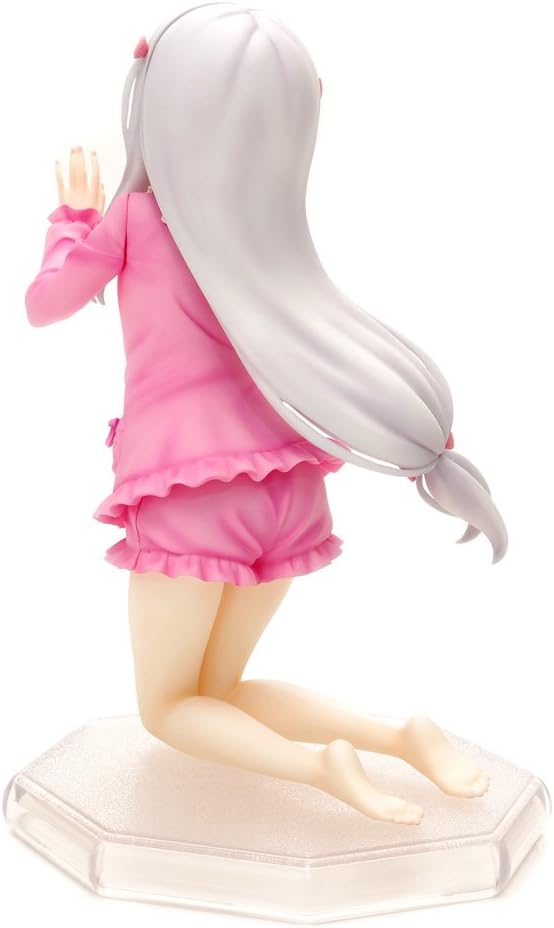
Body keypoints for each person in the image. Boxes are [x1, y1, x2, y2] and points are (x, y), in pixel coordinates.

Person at [24, 3, 506, 826]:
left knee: (168, 709)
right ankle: (400, 737)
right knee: (220, 690)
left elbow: (45, 303)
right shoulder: (276, 240)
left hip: (189, 496)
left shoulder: (135, 221)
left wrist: (72, 215)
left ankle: (321, 767)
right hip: (288, 493)